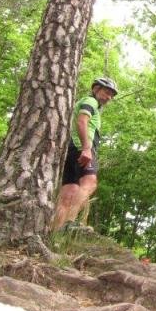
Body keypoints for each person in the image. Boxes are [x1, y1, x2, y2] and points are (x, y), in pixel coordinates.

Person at [52, 77, 118, 231]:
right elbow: (82, 121)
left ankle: (56, 232)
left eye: (111, 95)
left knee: (68, 194)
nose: (108, 97)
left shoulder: (85, 101)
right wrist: (86, 148)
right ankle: (69, 223)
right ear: (95, 89)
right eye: (106, 92)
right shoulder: (91, 101)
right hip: (81, 147)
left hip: (70, 148)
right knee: (90, 182)